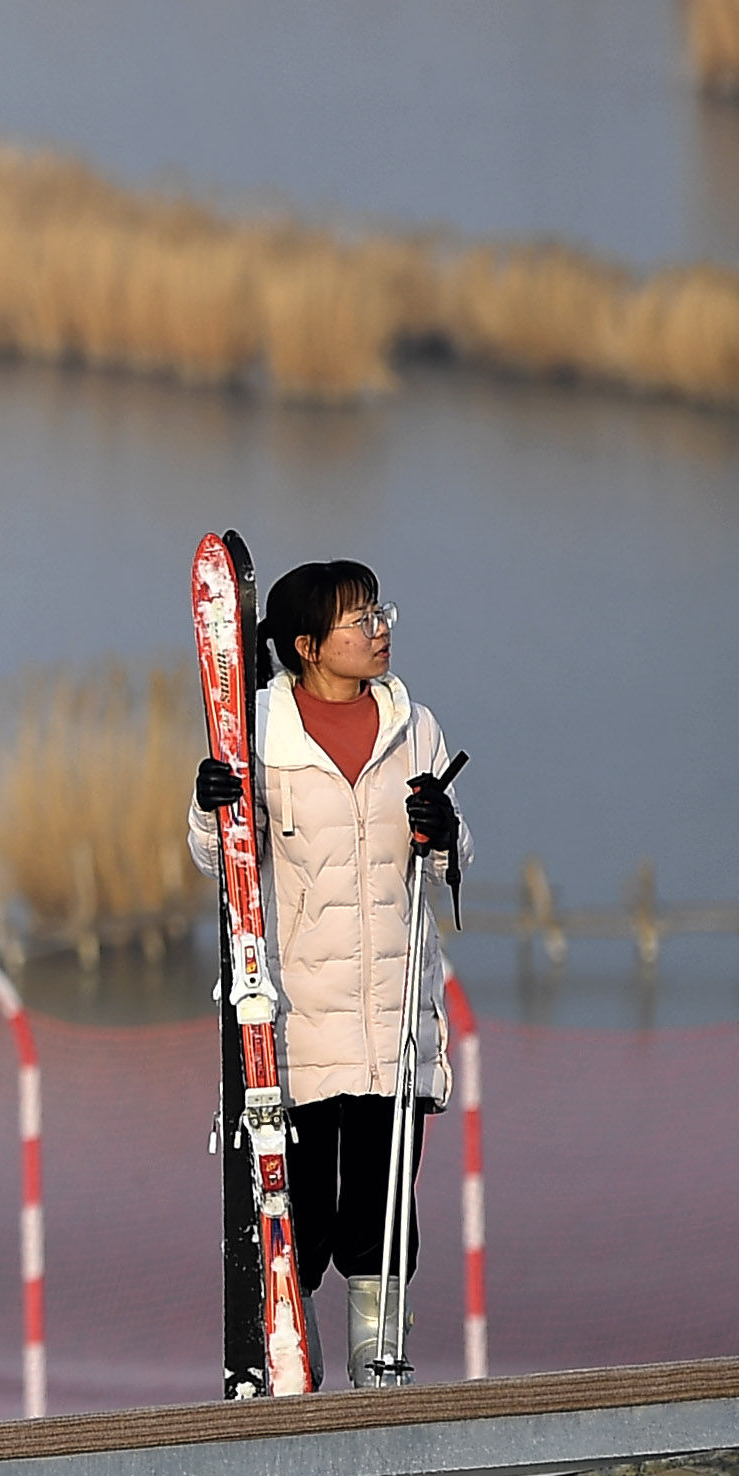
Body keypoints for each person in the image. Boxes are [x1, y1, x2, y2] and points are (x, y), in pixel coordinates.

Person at [186, 560, 468, 1386]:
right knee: (298, 1212)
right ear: (306, 646)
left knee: (383, 1214)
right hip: (300, 1021)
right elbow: (223, 860)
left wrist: (442, 828)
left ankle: (379, 1371)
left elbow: (456, 856)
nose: (380, 628)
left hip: (392, 1013)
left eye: (380, 610)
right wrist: (209, 805)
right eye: (359, 619)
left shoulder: (413, 725)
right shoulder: (260, 732)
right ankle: (287, 1363)